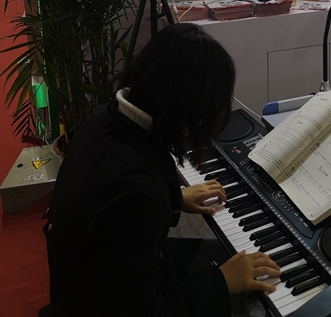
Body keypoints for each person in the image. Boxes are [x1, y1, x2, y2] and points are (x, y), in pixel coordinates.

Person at [42, 23, 281, 317]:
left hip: (91, 278)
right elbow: (143, 310)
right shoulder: (138, 188)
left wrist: (173, 197)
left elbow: (107, 209)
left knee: (233, 259)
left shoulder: (108, 118)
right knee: (254, 294)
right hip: (100, 303)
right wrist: (221, 281)